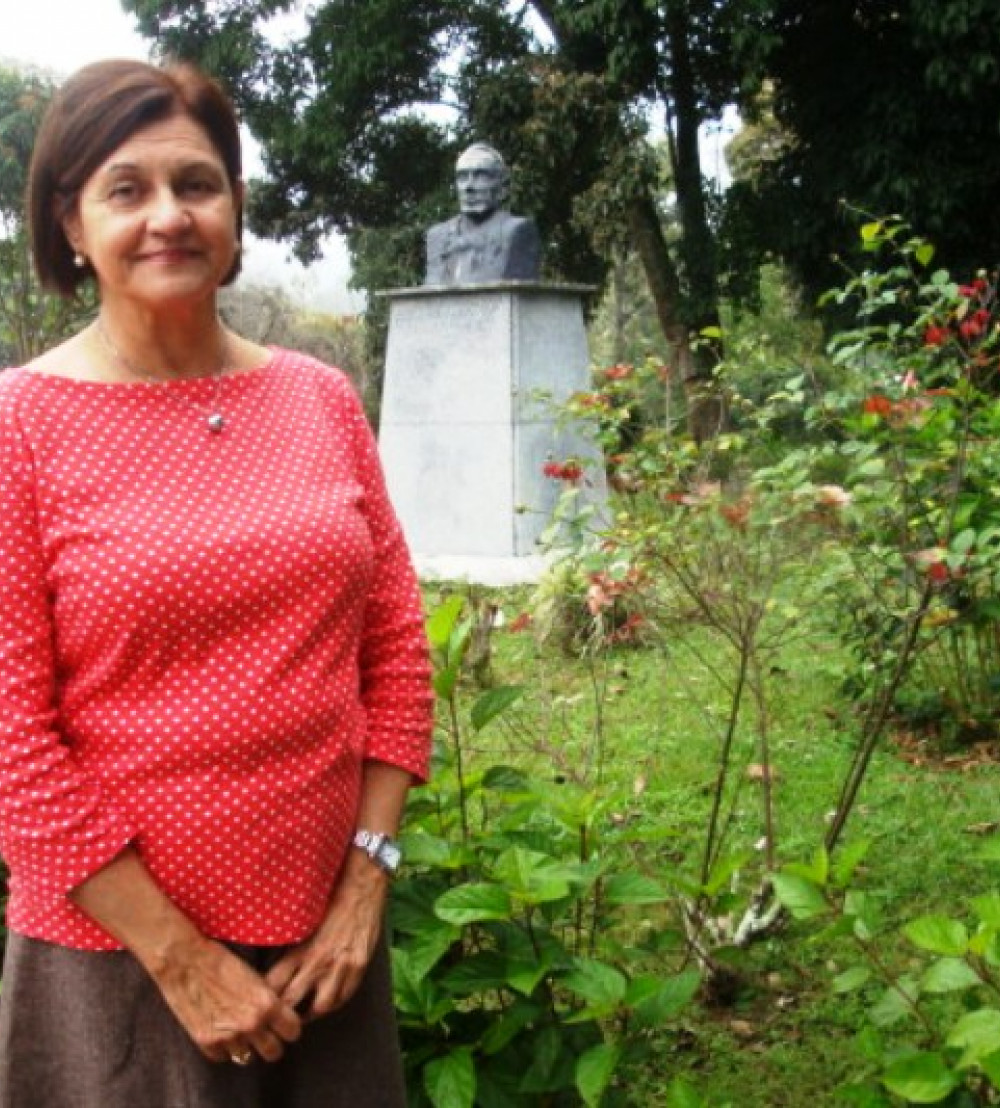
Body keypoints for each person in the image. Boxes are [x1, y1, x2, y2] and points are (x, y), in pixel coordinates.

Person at [0, 58, 433, 1108]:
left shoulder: (320, 400)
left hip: (327, 950)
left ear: (235, 204)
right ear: (69, 223)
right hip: (119, 964)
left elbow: (397, 650)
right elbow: (12, 734)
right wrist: (182, 958)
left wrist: (365, 880)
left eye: (196, 183)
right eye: (126, 189)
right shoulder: (20, 426)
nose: (168, 216)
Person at [424, 142, 541, 285]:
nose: (469, 187)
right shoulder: (438, 235)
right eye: (462, 177)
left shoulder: (517, 230)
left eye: (480, 176)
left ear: (503, 188)